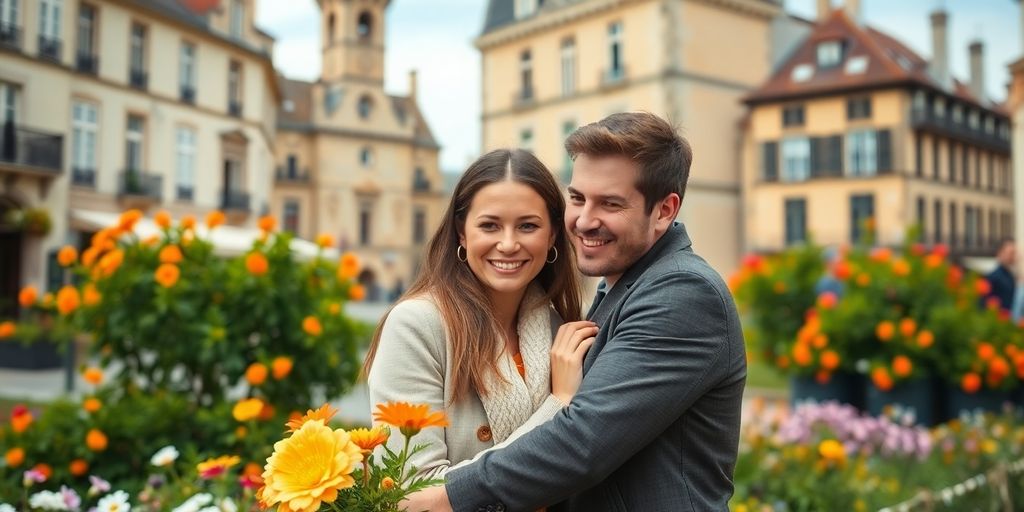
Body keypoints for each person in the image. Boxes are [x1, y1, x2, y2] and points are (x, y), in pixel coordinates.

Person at [405, 112, 746, 511]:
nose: (584, 221)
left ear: (664, 210)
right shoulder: (625, 285)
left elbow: (583, 441)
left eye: (610, 203)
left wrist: (445, 499)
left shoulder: (684, 293)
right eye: (578, 198)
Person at [365, 149, 596, 478]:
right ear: (462, 232)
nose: (508, 244)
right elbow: (410, 489)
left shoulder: (563, 332)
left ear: (553, 235)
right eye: (489, 225)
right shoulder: (417, 325)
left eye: (528, 226)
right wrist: (558, 406)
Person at [983, 238, 1016, 311]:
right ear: (1000, 253)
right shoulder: (993, 277)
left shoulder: (1010, 275)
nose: (1013, 256)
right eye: (1011, 253)